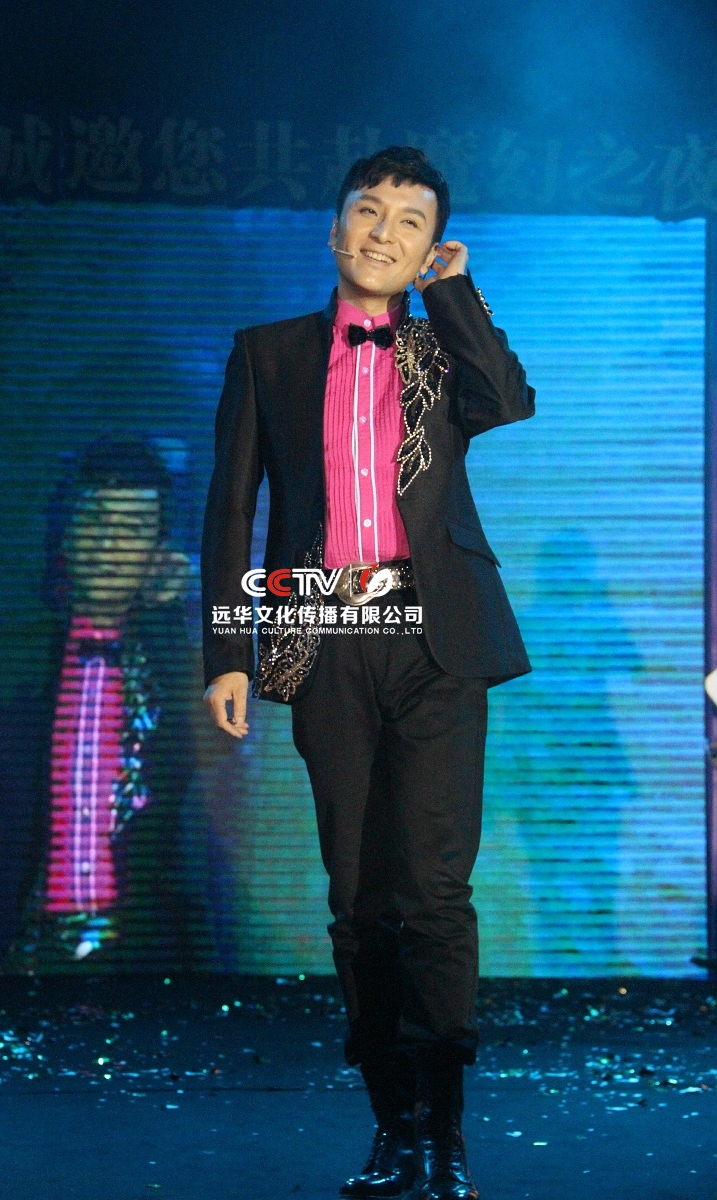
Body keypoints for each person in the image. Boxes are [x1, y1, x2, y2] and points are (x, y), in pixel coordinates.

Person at [202, 146, 535, 1199]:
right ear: (335, 226)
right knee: (358, 899)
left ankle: (444, 1133)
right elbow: (231, 509)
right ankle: (394, 1127)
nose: (383, 231)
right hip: (327, 635)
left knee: (431, 891)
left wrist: (455, 293)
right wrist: (229, 652)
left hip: (438, 636)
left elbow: (507, 400)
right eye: (367, 211)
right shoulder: (267, 353)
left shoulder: (441, 345)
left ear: (428, 244)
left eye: (409, 220)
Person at [0, 439, 194, 972]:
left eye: (132, 530)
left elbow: (198, 785)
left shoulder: (177, 666)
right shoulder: (6, 662)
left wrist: (170, 613)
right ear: (67, 533)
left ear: (158, 553)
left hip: (143, 953)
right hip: (20, 945)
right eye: (95, 521)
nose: (108, 545)